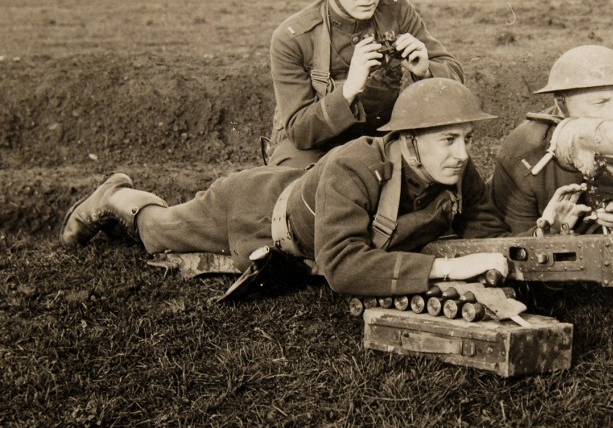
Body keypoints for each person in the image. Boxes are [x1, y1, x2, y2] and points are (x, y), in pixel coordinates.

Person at [60, 79, 508, 297]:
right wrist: (446, 270)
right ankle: (115, 195)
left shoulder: (455, 170)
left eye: (467, 139)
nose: (463, 154)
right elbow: (344, 267)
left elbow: (485, 228)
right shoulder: (355, 168)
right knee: (157, 230)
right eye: (448, 140)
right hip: (252, 208)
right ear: (408, 141)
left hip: (304, 201)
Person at [265, 0, 464, 167]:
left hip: (379, 134)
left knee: (437, 167)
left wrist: (426, 71)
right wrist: (349, 89)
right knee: (300, 185)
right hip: (316, 144)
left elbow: (455, 79)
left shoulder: (395, 11)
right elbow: (301, 132)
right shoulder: (294, 38)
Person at [490, 45, 613, 236]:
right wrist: (549, 230)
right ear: (562, 103)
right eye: (600, 103)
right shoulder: (525, 154)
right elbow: (514, 243)